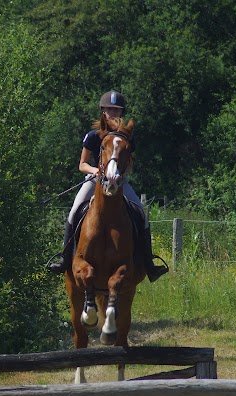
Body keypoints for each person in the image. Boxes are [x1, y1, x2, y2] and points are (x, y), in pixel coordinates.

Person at [47, 90, 169, 282]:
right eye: (109, 109)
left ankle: (149, 264)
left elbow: (129, 163)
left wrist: (120, 175)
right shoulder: (93, 136)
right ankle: (64, 259)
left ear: (121, 113)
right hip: (94, 181)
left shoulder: (127, 137)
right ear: (103, 111)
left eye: (116, 110)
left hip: (119, 182)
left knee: (141, 214)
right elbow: (82, 164)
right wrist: (95, 171)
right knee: (73, 212)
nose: (113, 113)